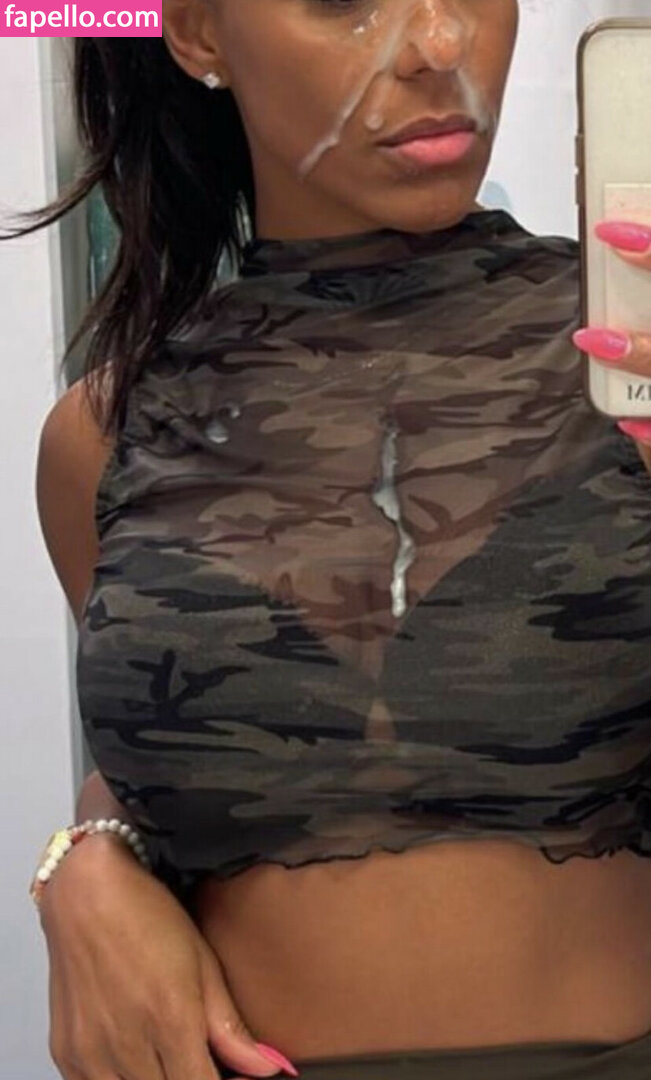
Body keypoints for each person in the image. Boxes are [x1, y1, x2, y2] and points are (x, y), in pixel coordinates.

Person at [7, 2, 651, 1078]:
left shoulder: (623, 370)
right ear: (199, 34)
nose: (439, 44)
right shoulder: (105, 439)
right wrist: (84, 865)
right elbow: (169, 762)